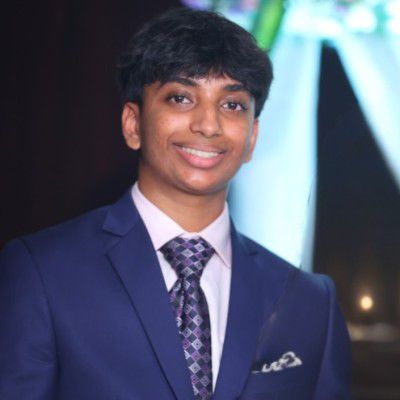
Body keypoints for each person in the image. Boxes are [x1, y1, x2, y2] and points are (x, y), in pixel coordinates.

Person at [0, 7, 351, 400]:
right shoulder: (43, 272)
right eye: (181, 98)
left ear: (252, 137)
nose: (208, 125)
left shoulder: (309, 302)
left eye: (232, 104)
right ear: (133, 124)